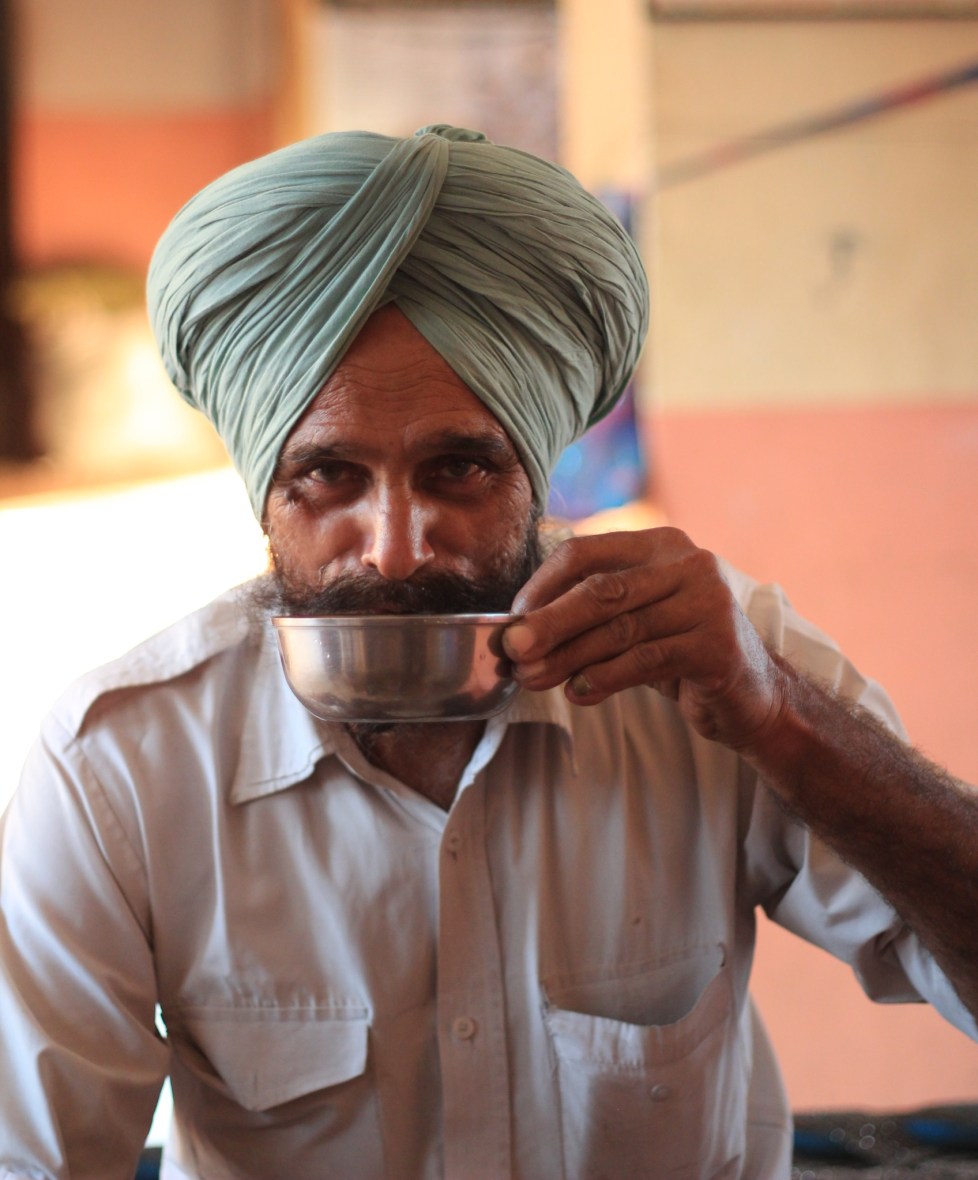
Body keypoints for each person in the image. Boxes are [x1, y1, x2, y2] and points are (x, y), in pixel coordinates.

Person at [0, 125, 976, 1180]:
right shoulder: (121, 766)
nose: (395, 547)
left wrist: (779, 717)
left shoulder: (714, 664)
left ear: (538, 476)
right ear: (263, 493)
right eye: (328, 476)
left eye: (459, 469)